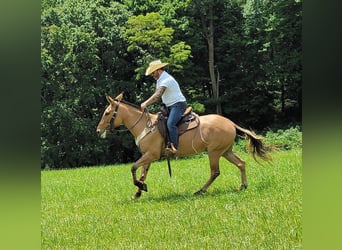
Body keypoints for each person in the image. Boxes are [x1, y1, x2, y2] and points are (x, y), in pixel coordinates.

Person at [141, 59, 187, 155]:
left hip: (178, 105)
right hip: (169, 106)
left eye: (152, 73)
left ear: (158, 70)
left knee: (170, 124)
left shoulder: (166, 79)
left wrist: (146, 103)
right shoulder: (160, 80)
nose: (152, 75)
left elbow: (157, 95)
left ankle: (174, 147)